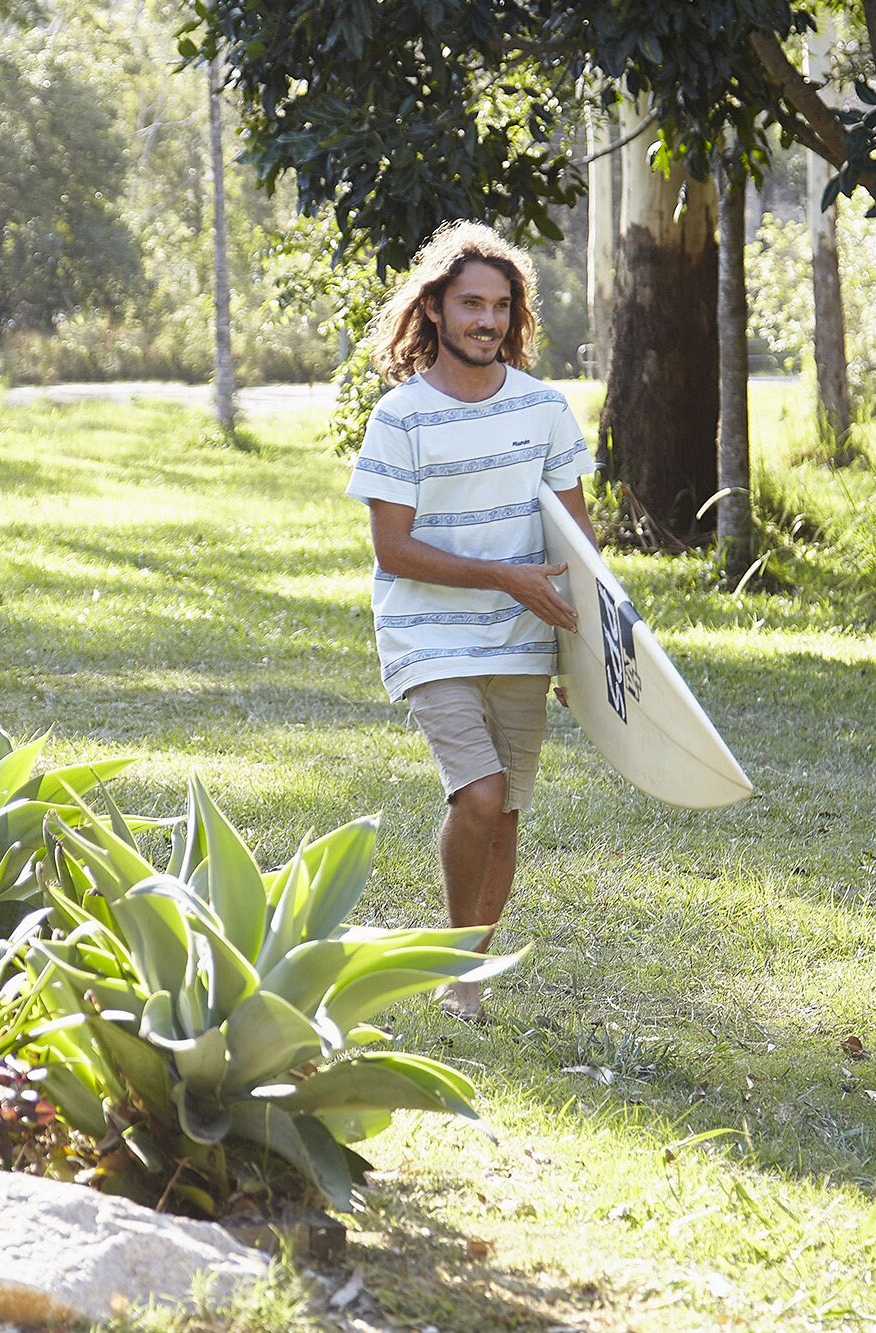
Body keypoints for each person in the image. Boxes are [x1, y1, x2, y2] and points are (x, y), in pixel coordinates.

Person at [343, 220, 597, 1022]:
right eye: (470, 304)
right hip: (429, 636)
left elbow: (578, 542)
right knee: (479, 793)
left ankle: (470, 980)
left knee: (507, 808)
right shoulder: (401, 417)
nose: (487, 320)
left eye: (500, 306)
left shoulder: (544, 408)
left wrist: (583, 651)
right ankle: (455, 968)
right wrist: (501, 577)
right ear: (435, 309)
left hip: (524, 637)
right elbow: (393, 548)